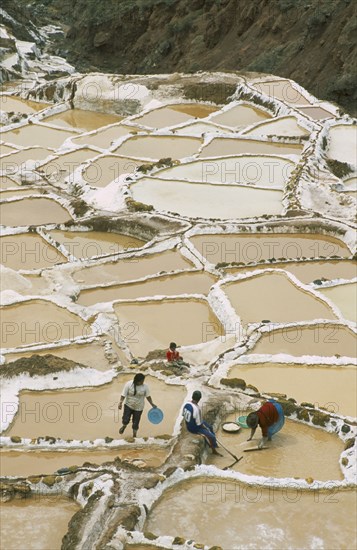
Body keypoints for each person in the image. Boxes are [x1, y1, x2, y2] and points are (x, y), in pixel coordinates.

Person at [182, 390, 222, 455]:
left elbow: (183, 415)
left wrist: (207, 427)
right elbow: (199, 424)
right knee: (211, 436)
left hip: (190, 423)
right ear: (199, 399)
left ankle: (214, 443)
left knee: (210, 427)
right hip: (194, 428)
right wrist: (206, 428)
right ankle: (214, 449)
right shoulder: (196, 409)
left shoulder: (186, 404)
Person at [118, 373, 157, 438]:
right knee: (125, 420)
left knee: (135, 423)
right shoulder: (129, 384)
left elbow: (148, 396)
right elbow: (123, 394)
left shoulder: (145, 387)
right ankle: (124, 426)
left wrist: (152, 404)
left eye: (143, 381)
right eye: (141, 381)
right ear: (137, 381)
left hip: (139, 408)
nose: (143, 382)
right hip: (128, 405)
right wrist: (120, 402)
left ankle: (134, 435)